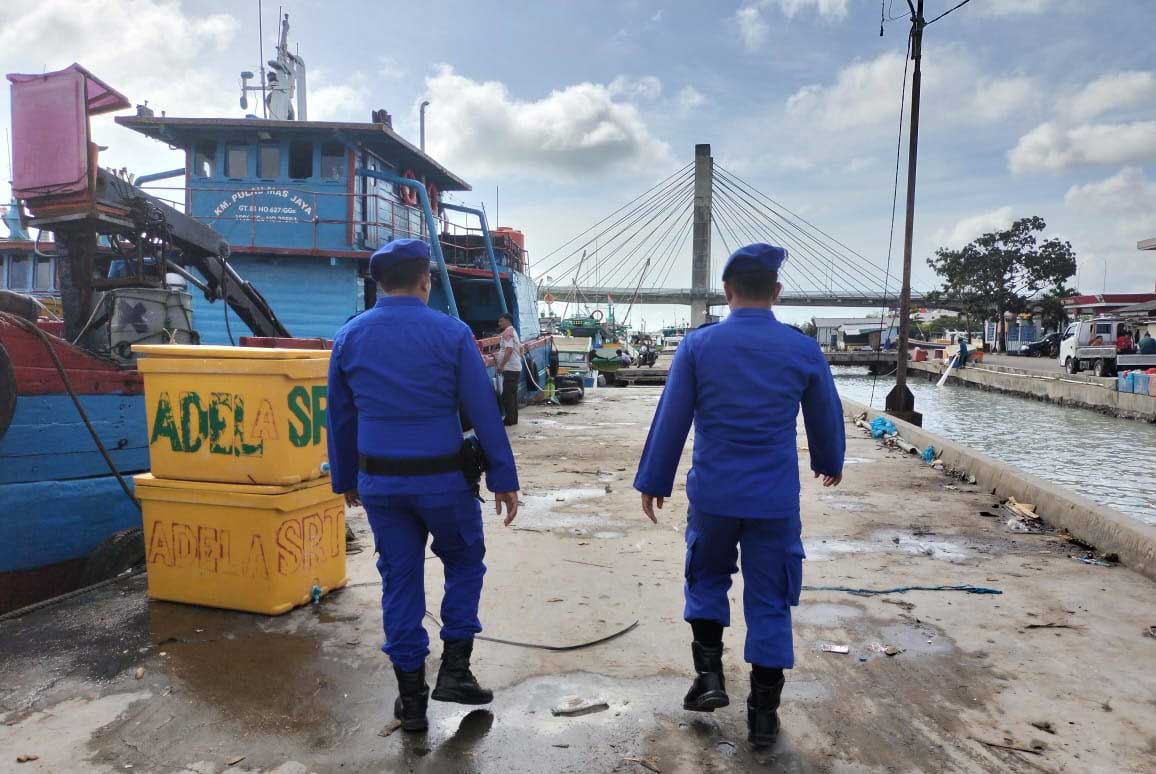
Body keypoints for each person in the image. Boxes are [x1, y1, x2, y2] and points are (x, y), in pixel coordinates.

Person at [633, 243, 845, 749]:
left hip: (714, 496)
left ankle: (708, 680)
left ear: (727, 292)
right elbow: (826, 414)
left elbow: (672, 417)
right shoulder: (801, 348)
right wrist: (828, 461)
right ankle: (763, 718)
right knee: (771, 599)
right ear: (776, 292)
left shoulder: (698, 346)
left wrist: (654, 480)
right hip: (774, 500)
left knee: (705, 577)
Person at [326, 238, 520, 733]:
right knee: (463, 563)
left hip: (381, 484)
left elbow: (341, 417)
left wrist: (345, 479)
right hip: (443, 482)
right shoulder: (452, 334)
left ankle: (411, 700)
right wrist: (503, 477)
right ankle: (455, 670)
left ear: (378, 284)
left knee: (400, 578)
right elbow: (484, 413)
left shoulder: (349, 336)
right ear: (425, 280)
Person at [496, 312, 522, 426]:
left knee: (507, 395)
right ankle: (513, 418)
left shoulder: (507, 333)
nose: (499, 323)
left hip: (510, 368)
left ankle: (509, 420)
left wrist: (501, 365)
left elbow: (509, 350)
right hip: (514, 368)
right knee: (512, 395)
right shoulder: (512, 331)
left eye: (501, 321)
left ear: (507, 321)